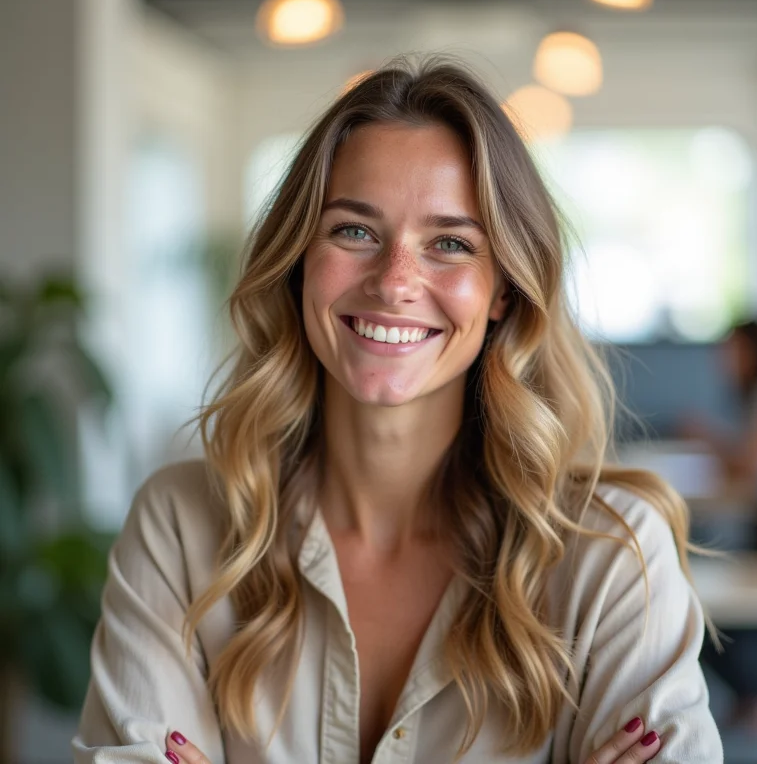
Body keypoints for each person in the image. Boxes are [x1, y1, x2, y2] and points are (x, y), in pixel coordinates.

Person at [72, 56, 722, 764]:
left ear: (503, 289)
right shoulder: (180, 528)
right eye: (354, 230)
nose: (395, 283)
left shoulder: (613, 555)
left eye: (450, 244)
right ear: (298, 261)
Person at [681, 320, 757, 730]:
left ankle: (754, 696)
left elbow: (749, 464)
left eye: (732, 351)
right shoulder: (749, 396)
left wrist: (707, 437)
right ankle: (751, 697)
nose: (724, 361)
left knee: (709, 601)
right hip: (756, 522)